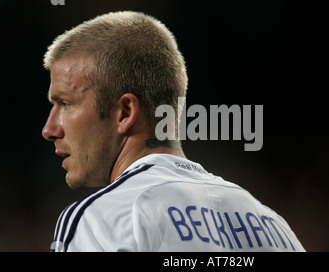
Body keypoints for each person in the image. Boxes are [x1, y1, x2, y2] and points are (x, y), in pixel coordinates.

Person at [42, 11, 305, 252]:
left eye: (66, 103)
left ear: (124, 113)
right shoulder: (276, 228)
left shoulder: (104, 221)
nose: (49, 129)